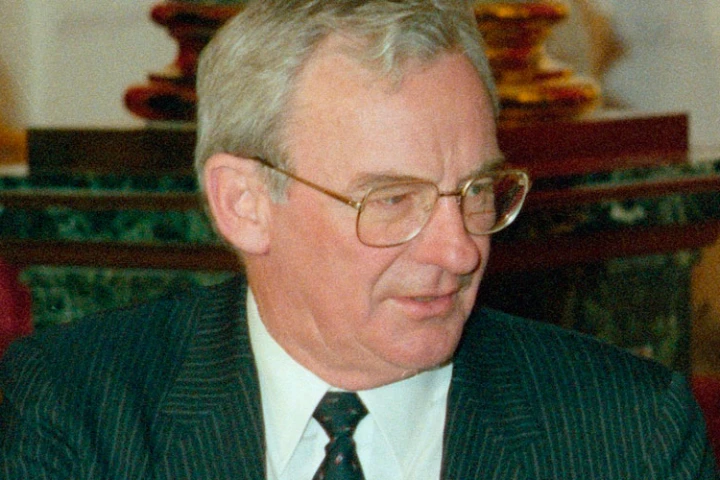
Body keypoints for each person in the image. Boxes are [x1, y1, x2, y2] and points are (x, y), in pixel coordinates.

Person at [0, 0, 716, 478]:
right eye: (392, 200)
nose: (460, 251)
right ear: (244, 204)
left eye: (477, 191)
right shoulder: (77, 412)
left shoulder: (629, 434)